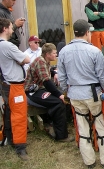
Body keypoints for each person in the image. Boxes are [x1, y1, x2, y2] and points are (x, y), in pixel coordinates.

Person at [58, 20, 104, 168]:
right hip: (92, 93)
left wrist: (65, 91)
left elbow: (62, 77)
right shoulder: (95, 51)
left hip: (75, 94)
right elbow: (103, 77)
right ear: (87, 33)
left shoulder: (64, 51)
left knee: (82, 126)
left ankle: (89, 161)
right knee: (100, 124)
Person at [24, 43, 73, 142]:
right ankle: (61, 136)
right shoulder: (40, 62)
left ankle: (54, 125)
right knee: (59, 102)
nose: (56, 55)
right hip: (32, 92)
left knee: (66, 99)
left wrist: (54, 73)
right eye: (54, 53)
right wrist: (59, 95)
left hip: (40, 89)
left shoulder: (45, 61)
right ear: (47, 54)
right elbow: (46, 81)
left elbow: (48, 71)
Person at [0, 18, 30, 160]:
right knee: (19, 115)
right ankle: (20, 147)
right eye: (11, 27)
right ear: (5, 29)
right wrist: (20, 58)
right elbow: (26, 59)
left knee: (8, 112)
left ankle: (10, 138)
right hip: (14, 86)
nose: (12, 30)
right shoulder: (7, 46)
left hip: (5, 84)